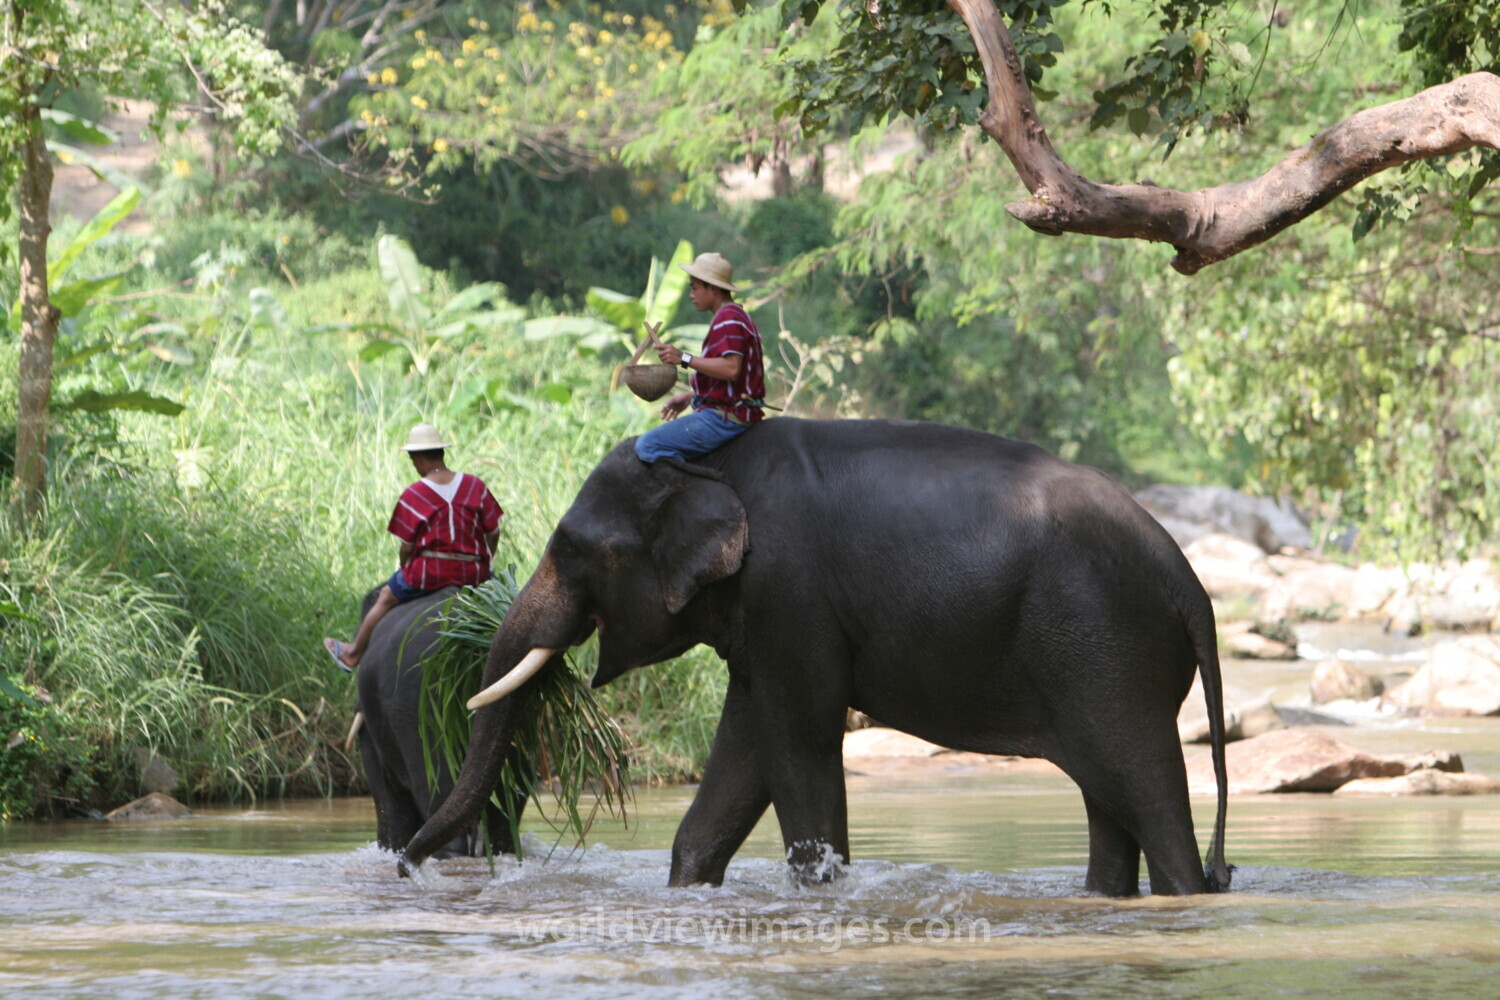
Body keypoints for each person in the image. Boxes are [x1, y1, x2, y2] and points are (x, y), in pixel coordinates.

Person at [323, 422, 503, 672]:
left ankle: (353, 653)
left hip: (429, 572)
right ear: (441, 452)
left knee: (385, 597)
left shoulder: (415, 494)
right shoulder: (475, 485)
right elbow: (493, 531)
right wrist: (486, 561)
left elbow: (407, 547)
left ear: (418, 459)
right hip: (473, 573)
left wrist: (405, 566)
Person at [634, 251, 766, 463]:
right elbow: (732, 380)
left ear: (712, 288)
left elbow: (732, 369)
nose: (691, 294)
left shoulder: (728, 318)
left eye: (695, 288)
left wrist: (683, 358)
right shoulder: (735, 315)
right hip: (732, 411)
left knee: (648, 446)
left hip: (726, 418)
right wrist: (690, 397)